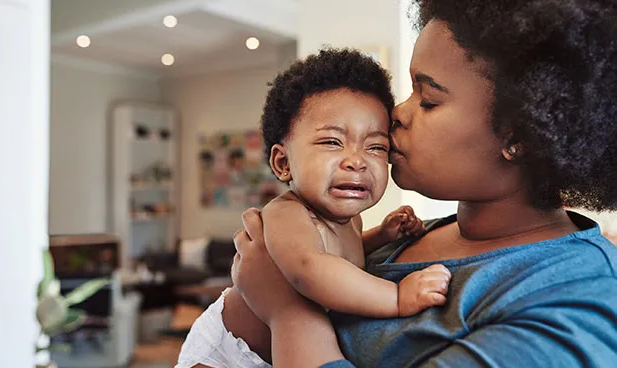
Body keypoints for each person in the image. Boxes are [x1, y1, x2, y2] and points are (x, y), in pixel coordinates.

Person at [230, 0, 617, 367]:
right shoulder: (412, 234)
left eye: (428, 99)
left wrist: (287, 313)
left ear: (522, 136)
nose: (396, 113)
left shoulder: (574, 300)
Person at [177, 49, 453, 368]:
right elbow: (310, 269)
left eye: (376, 146)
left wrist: (382, 235)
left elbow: (339, 257)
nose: (357, 161)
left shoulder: (351, 220)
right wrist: (397, 297)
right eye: (332, 142)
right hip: (228, 350)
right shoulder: (287, 213)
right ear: (283, 163)